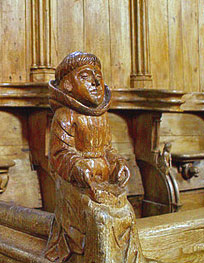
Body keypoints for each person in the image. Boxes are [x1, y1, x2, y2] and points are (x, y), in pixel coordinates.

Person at [45, 51, 146, 262]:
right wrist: (78, 167)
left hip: (103, 183)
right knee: (99, 217)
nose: (96, 81)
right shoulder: (65, 115)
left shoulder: (101, 116)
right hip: (76, 186)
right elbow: (59, 153)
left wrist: (117, 163)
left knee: (127, 212)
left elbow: (107, 148)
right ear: (67, 85)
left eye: (98, 76)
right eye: (85, 76)